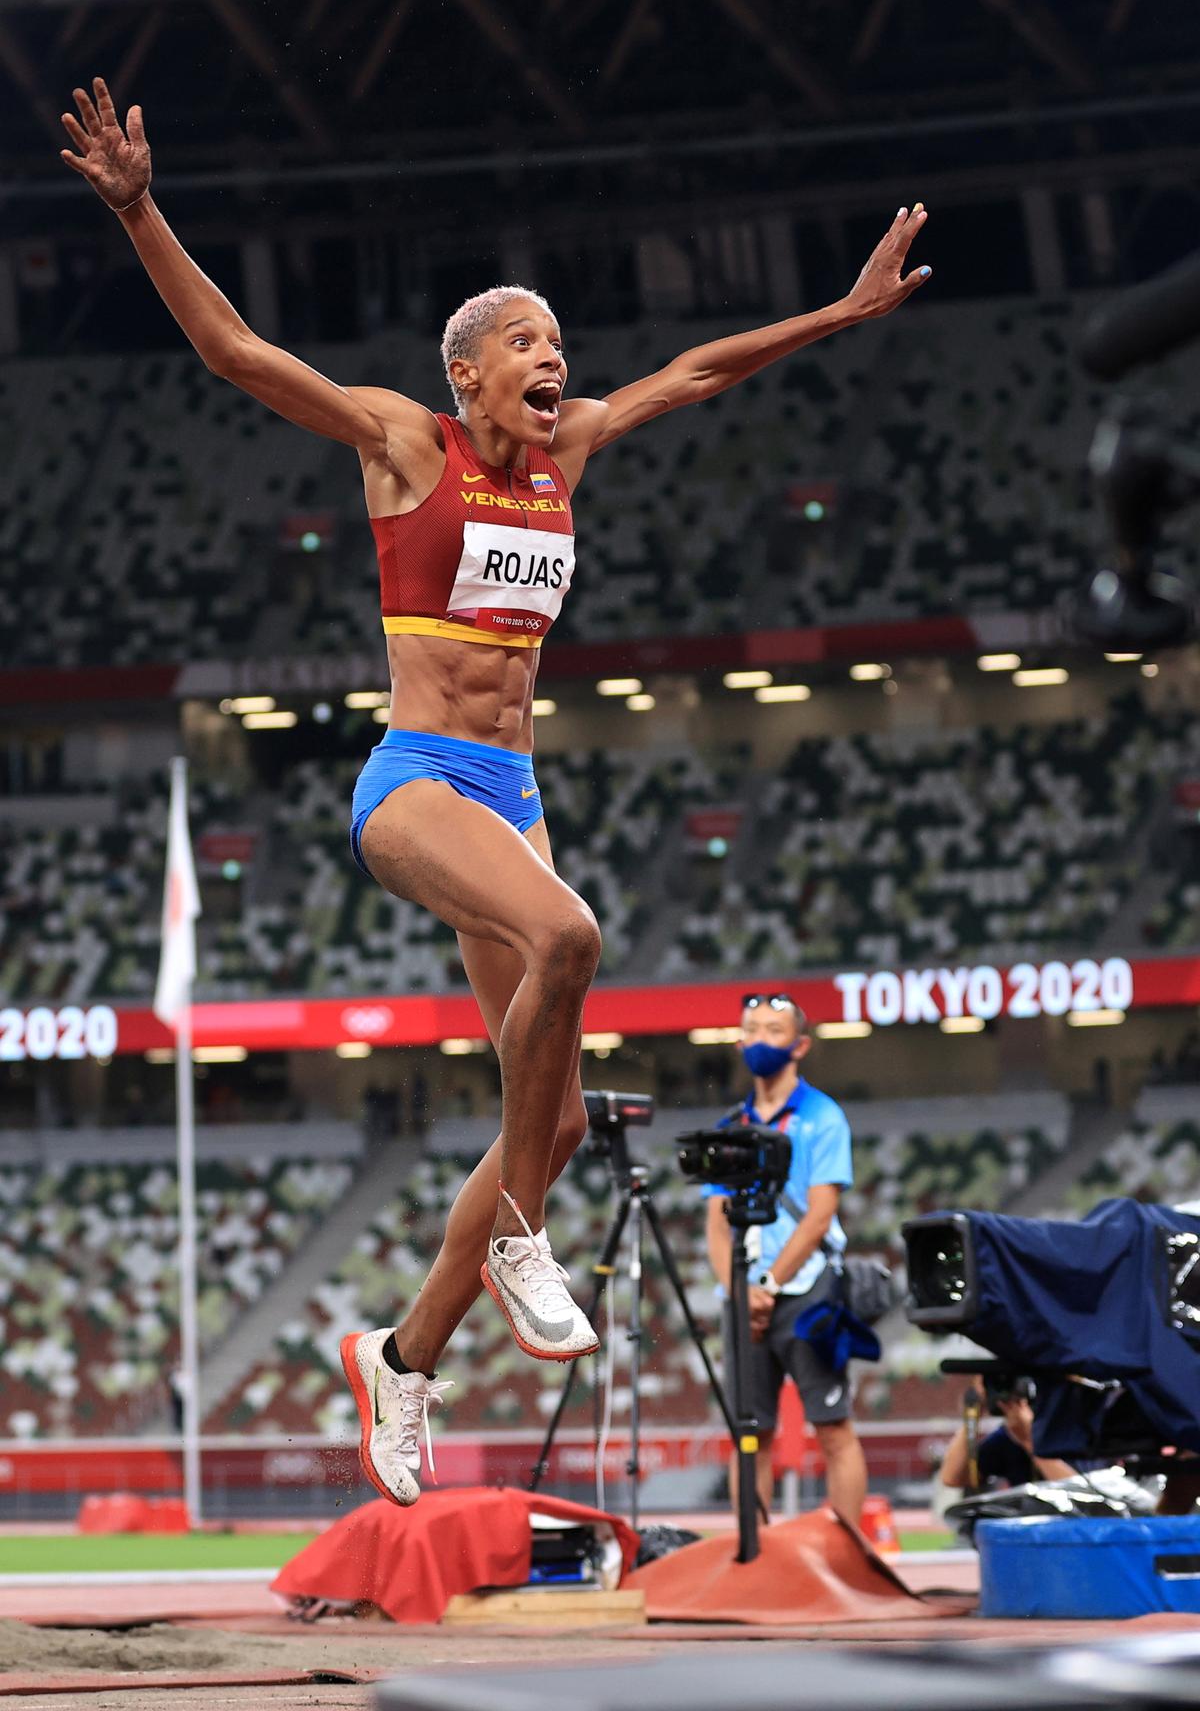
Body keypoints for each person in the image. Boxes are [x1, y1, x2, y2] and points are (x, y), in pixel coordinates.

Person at [60, 79, 931, 1508]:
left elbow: (698, 372)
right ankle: (521, 1238)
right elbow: (233, 351)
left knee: (569, 1120)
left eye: (558, 343)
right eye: (525, 344)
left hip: (511, 789)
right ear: (465, 375)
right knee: (572, 942)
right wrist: (140, 206)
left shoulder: (569, 447)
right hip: (414, 784)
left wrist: (836, 318)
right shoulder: (409, 443)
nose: (554, 359)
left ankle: (401, 1359)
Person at [705, 991, 867, 1525]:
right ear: (738, 1042)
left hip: (808, 1292)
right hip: (743, 1294)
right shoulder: (730, 1128)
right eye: (752, 1029)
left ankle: (849, 1552)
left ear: (799, 1045)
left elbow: (820, 1215)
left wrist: (768, 1286)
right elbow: (715, 1224)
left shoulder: (823, 1117)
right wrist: (738, 1290)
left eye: (774, 1030)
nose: (760, 1040)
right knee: (750, 1434)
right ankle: (756, 1555)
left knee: (833, 1426)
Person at [936, 1376, 1075, 1510]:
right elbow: (952, 1478)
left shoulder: (1073, 1430)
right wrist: (974, 1413)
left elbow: (1079, 1492)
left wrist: (1029, 1441)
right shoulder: (1008, 1437)